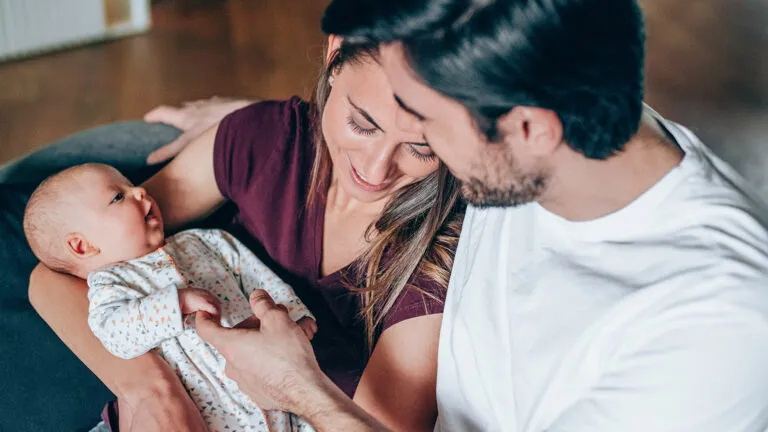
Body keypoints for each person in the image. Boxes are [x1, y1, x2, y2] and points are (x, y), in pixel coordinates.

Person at [187, 1, 768, 431]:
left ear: (528, 130)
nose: (415, 147)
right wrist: (277, 124)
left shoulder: (717, 327)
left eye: (424, 127)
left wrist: (301, 389)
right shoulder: (554, 135)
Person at [27, 35, 464, 431]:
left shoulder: (434, 259)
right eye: (362, 124)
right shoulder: (269, 139)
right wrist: (154, 394)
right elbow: (56, 271)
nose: (375, 171)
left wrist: (295, 385)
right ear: (335, 55)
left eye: (421, 147)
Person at [23, 163, 317, 431]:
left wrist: (292, 317)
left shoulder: (206, 240)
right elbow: (115, 334)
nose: (140, 191)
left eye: (132, 186)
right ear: (81, 246)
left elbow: (257, 278)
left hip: (269, 384)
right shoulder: (110, 284)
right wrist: (174, 304)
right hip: (208, 412)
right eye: (118, 197)